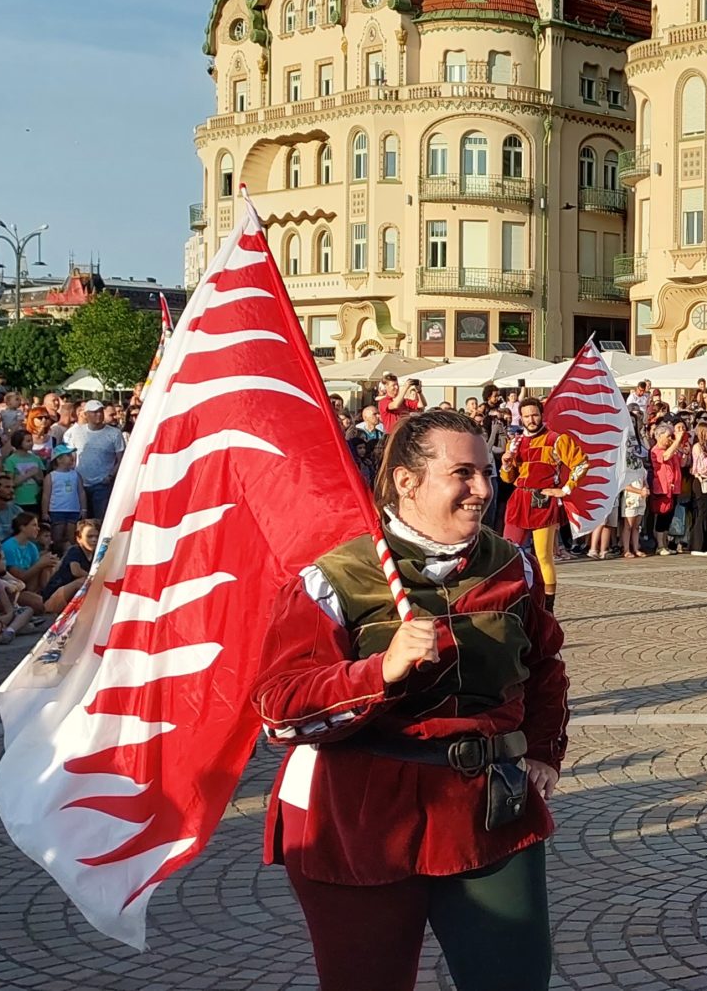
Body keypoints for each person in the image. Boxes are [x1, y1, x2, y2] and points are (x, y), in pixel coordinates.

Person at [252, 409, 568, 991]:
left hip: (486, 808)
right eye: (463, 473)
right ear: (407, 481)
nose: (482, 489)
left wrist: (545, 748)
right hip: (358, 817)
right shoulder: (335, 578)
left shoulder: (513, 566)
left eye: (487, 472)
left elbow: (544, 667)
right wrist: (379, 670)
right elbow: (279, 708)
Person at [497, 397, 587, 594]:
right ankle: (512, 599)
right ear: (520, 418)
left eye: (534, 415)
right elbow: (508, 478)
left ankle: (548, 605)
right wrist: (505, 464)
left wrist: (565, 490)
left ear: (541, 415)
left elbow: (581, 463)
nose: (531, 419)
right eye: (527, 416)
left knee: (543, 556)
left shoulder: (557, 439)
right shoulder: (514, 443)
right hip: (519, 498)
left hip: (543, 501)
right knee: (508, 553)